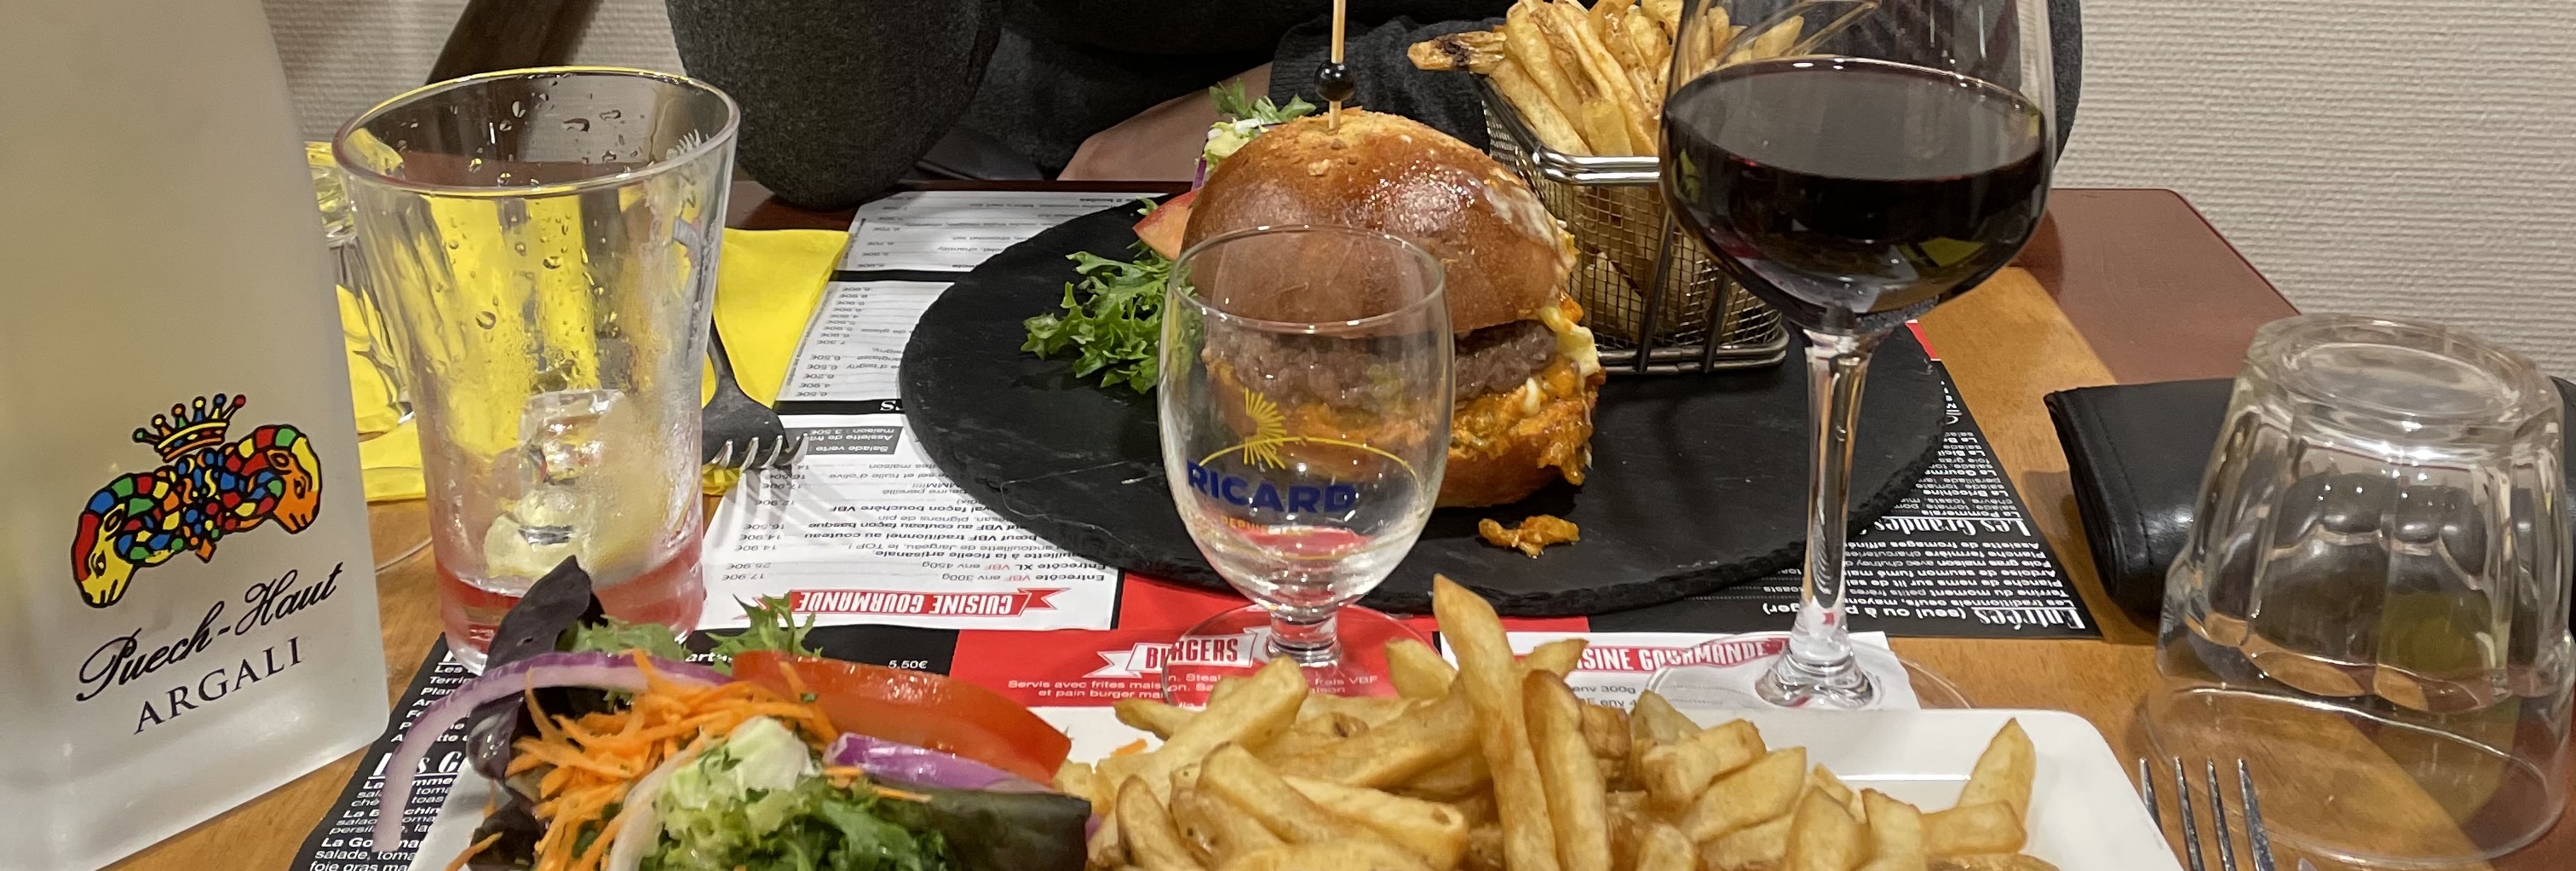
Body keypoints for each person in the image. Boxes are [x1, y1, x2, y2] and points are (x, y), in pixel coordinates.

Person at [664, 1, 2083, 210]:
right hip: (1021, 186)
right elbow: (818, 125)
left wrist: (1303, 101)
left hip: (1612, 204)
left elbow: (1935, 62)